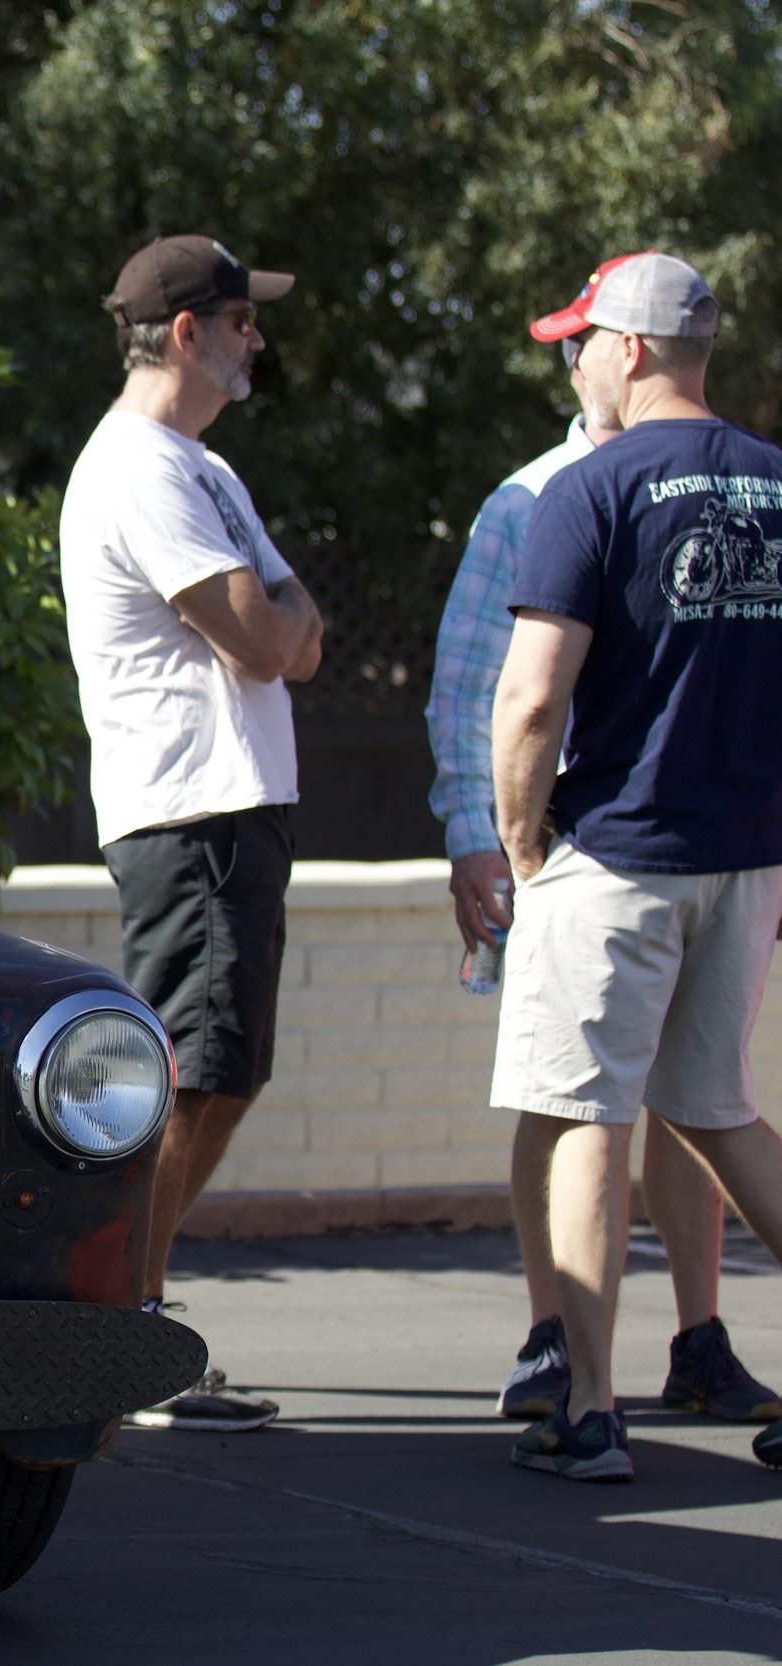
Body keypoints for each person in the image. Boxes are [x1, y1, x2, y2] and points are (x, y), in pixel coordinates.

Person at [428, 253, 779, 1428]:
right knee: (719, 1109)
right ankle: (668, 1357)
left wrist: (519, 840)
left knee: (584, 1113)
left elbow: (524, 699)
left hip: (616, 851)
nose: (573, 362)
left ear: (628, 351)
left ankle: (585, 1409)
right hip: (742, 856)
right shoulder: (775, 482)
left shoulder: (586, 486)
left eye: (581, 342)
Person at [59, 234, 324, 1433]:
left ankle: (133, 1318)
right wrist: (277, 612)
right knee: (183, 1074)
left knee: (220, 1072)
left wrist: (278, 611)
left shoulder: (201, 469)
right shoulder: (142, 472)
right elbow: (271, 642)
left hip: (234, 810)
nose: (253, 338)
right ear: (184, 334)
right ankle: (126, 1333)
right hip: (192, 811)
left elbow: (294, 628)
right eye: (238, 319)